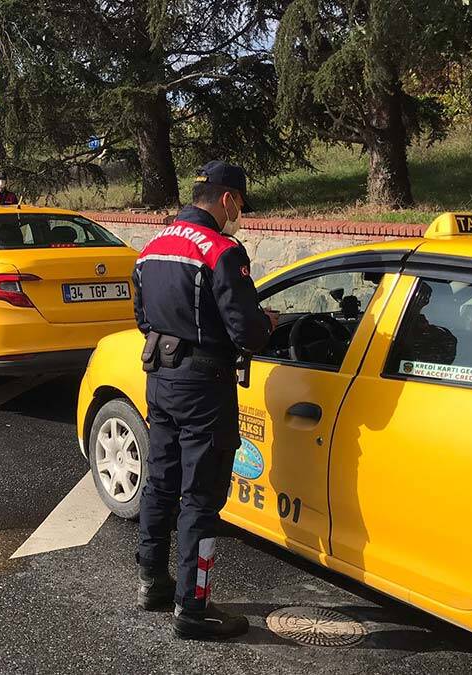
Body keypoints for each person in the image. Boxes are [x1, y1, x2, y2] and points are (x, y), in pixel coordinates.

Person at [132, 160, 276, 641]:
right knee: (200, 498)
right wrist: (269, 322)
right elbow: (248, 332)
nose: (240, 216)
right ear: (227, 199)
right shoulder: (221, 251)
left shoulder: (151, 247)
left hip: (161, 379)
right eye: (240, 206)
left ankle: (152, 582)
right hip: (204, 388)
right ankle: (193, 608)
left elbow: (142, 316)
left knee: (160, 482)